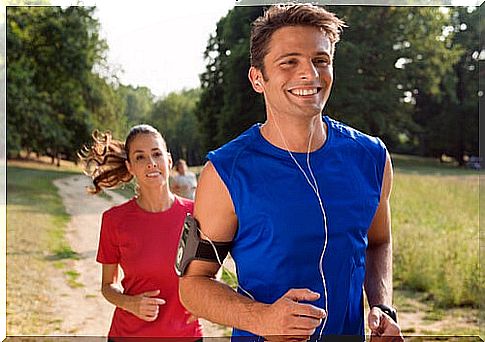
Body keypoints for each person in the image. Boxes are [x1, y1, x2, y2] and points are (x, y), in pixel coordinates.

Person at [179, 4, 403, 341]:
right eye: (289, 62)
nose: (309, 74)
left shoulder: (371, 156)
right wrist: (262, 318)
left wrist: (382, 306)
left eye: (320, 60)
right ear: (258, 78)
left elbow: (378, 242)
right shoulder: (226, 172)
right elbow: (193, 284)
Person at [79, 124, 202, 340]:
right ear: (130, 167)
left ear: (169, 160)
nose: (151, 163)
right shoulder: (114, 220)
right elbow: (108, 286)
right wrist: (131, 303)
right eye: (140, 157)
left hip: (186, 334)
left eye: (156, 154)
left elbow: (211, 267)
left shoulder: (196, 213)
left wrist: (203, 301)